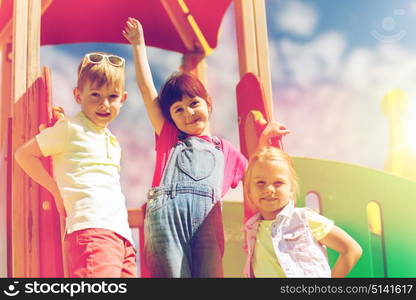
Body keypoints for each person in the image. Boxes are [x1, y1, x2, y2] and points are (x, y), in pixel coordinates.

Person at [123, 17, 289, 277]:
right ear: (171, 118)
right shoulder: (169, 137)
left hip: (206, 229)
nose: (188, 113)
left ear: (208, 103)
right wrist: (138, 45)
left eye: (193, 104)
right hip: (167, 226)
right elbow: (146, 90)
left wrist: (265, 139)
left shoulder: (227, 151)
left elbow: (258, 171)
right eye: (178, 110)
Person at [14, 52, 137, 278]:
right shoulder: (70, 129)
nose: (104, 103)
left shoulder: (112, 140)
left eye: (112, 96)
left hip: (122, 236)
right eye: (95, 95)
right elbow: (24, 155)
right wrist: (55, 190)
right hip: (92, 228)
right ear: (78, 95)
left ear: (123, 99)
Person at [243, 143, 362, 277]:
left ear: (291, 189)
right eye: (260, 183)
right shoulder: (252, 228)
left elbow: (351, 249)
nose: (269, 189)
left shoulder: (304, 219)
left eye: (278, 183)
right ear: (249, 190)